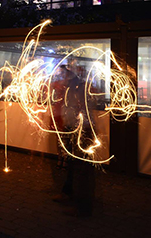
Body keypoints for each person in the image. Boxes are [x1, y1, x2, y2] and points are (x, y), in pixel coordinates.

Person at [52, 64, 95, 217]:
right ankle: (67, 193)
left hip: (81, 130)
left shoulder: (79, 87)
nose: (61, 77)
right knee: (72, 163)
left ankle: (83, 207)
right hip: (72, 128)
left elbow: (83, 108)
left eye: (64, 74)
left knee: (81, 169)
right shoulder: (70, 86)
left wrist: (79, 127)